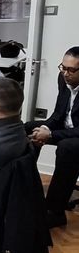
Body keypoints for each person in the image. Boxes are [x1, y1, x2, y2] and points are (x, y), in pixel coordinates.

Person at [25, 46, 79, 228]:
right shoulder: (63, 79)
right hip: (67, 130)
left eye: (71, 70)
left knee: (67, 148)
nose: (65, 73)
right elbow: (58, 114)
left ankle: (55, 212)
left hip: (75, 137)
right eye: (63, 67)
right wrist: (44, 129)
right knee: (28, 129)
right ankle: (24, 190)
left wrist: (51, 135)